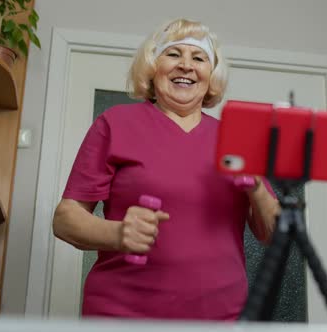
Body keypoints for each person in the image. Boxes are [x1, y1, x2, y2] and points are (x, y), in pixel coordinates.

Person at [52, 18, 279, 321]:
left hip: (222, 318)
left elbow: (274, 234)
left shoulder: (235, 138)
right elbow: (65, 219)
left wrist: (257, 188)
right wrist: (118, 233)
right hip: (122, 315)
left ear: (211, 76)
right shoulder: (115, 123)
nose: (186, 65)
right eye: (173, 54)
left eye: (198, 58)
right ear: (152, 67)